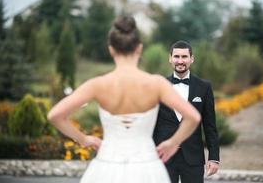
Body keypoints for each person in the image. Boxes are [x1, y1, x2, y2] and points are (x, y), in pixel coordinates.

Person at [47, 16, 201, 183]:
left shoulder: (97, 84)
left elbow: (55, 115)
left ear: (111, 49)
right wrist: (173, 143)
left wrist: (84, 139)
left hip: (106, 167)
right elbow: (193, 117)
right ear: (139, 48)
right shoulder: (157, 84)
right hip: (147, 167)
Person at [153, 40, 220, 183]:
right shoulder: (159, 86)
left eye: (184, 57)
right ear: (170, 58)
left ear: (192, 59)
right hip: (163, 156)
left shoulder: (204, 87)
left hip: (193, 158)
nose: (180, 61)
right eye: (176, 57)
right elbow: (152, 123)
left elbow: (210, 126)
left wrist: (214, 157)